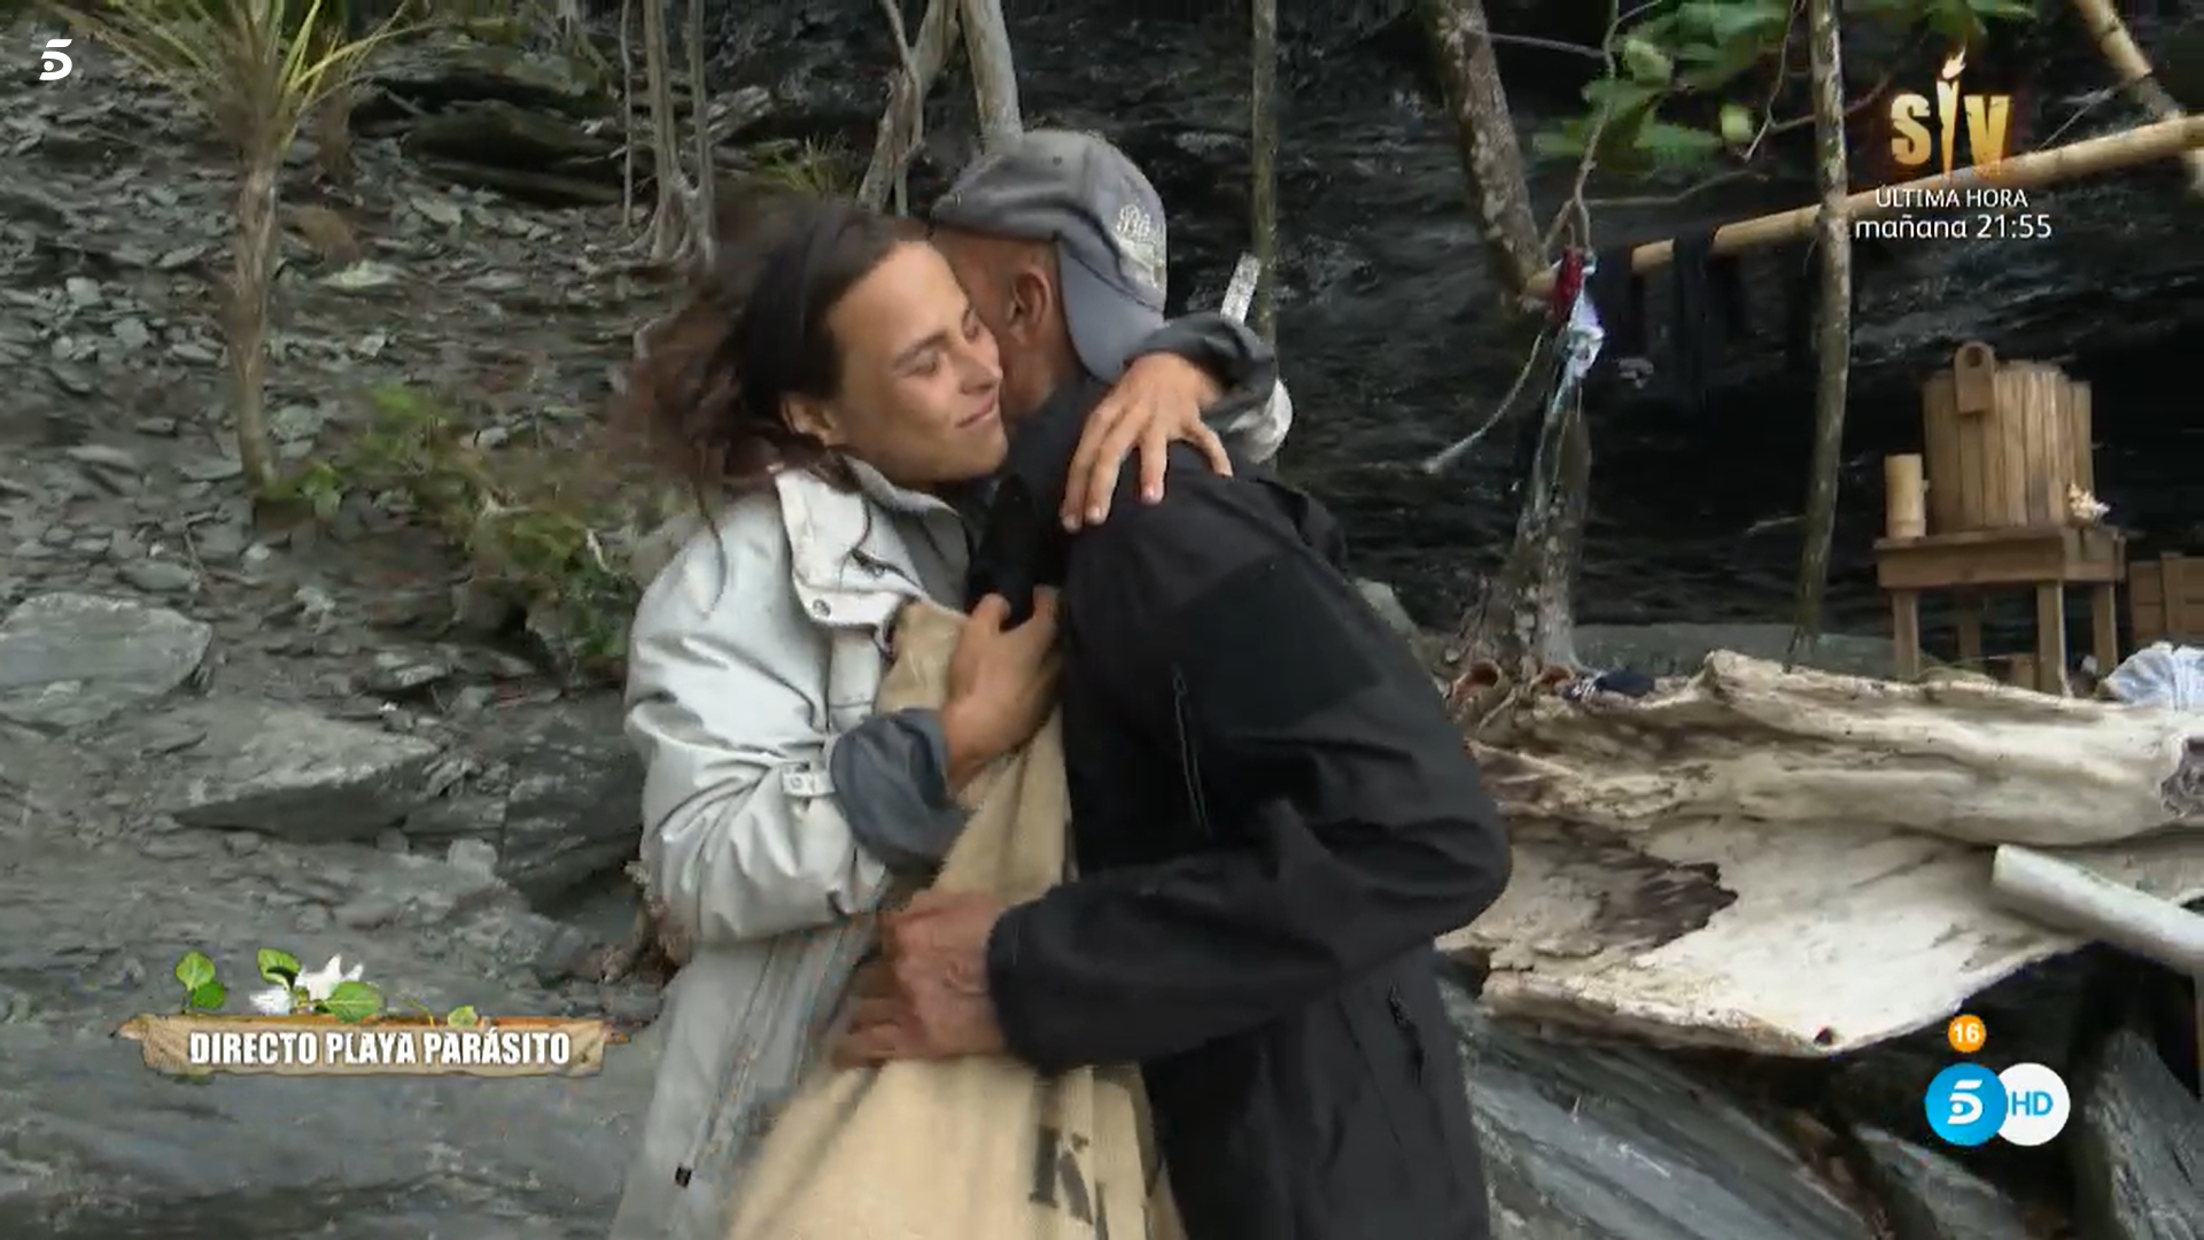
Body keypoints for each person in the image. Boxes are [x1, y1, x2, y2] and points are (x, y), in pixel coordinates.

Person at [835, 130, 1516, 1240]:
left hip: (1316, 1180)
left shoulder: (1159, 521)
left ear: (1022, 303)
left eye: (953, 310)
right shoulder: (1070, 513)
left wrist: (1022, 967)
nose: (933, 337)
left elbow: (1427, 834)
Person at [607, 193, 1292, 1240]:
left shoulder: (976, 487)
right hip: (796, 1118)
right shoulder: (734, 584)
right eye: (924, 360)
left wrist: (1179, 364)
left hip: (982, 1091)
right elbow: (696, 869)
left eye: (972, 327)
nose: (979, 371)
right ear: (816, 417)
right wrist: (951, 744)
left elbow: (1250, 423)